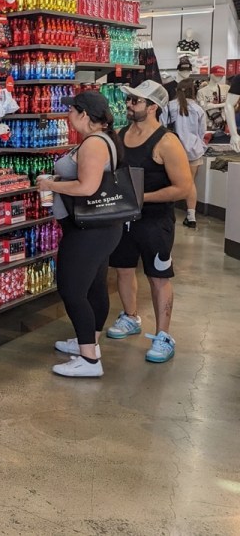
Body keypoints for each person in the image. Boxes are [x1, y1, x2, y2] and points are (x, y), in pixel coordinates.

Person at [106, 80, 195, 363]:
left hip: (155, 222)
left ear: (153, 107)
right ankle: (131, 317)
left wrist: (142, 197)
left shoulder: (166, 142)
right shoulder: (121, 135)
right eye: (130, 100)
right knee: (123, 269)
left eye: (136, 101)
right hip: (124, 219)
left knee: (158, 278)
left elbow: (183, 187)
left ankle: (163, 335)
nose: (129, 105)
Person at [38, 91, 124, 378]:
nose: (67, 115)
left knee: (72, 289)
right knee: (95, 287)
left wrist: (52, 184)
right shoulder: (103, 139)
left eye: (71, 110)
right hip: (101, 228)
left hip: (89, 230)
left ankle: (88, 361)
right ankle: (90, 342)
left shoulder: (94, 144)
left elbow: (87, 187)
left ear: (84, 115)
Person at [161, 79, 208, 228]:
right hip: (194, 151)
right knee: (190, 183)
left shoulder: (169, 107)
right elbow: (202, 132)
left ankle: (167, 214)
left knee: (170, 182)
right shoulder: (199, 109)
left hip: (173, 151)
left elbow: (161, 128)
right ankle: (191, 216)